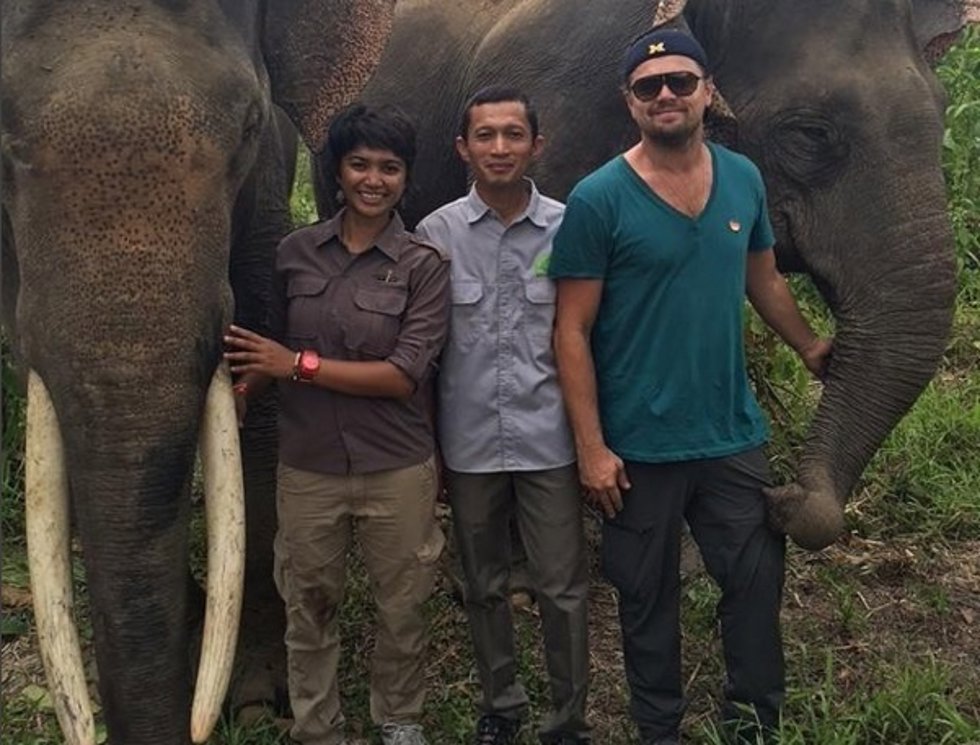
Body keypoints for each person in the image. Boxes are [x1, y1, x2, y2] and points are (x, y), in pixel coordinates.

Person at [548, 29, 832, 745]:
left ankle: (753, 720)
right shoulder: (597, 197)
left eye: (680, 81)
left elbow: (761, 277)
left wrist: (809, 346)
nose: (666, 95)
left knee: (755, 584)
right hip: (638, 443)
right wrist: (591, 447)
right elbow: (571, 330)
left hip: (730, 434)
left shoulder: (742, 178)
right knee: (647, 597)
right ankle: (658, 728)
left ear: (709, 90)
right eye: (649, 87)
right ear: (629, 102)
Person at [224, 103, 450, 745]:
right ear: (337, 172)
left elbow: (404, 376)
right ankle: (316, 724)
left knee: (402, 605)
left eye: (389, 168)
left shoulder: (424, 265)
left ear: (406, 178)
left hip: (396, 469)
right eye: (359, 165)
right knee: (309, 602)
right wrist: (245, 386)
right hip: (309, 466)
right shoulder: (294, 253)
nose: (373, 180)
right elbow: (268, 342)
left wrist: (295, 365)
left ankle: (398, 718)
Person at [415, 86, 591, 745]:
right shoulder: (436, 233)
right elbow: (424, 353)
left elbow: (586, 335)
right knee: (483, 582)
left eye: (513, 134)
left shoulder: (569, 225)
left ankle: (568, 716)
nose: (499, 147)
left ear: (537, 145)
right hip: (468, 442)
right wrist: (428, 447)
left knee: (562, 585)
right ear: (463, 148)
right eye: (484, 135)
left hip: (549, 436)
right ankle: (503, 703)